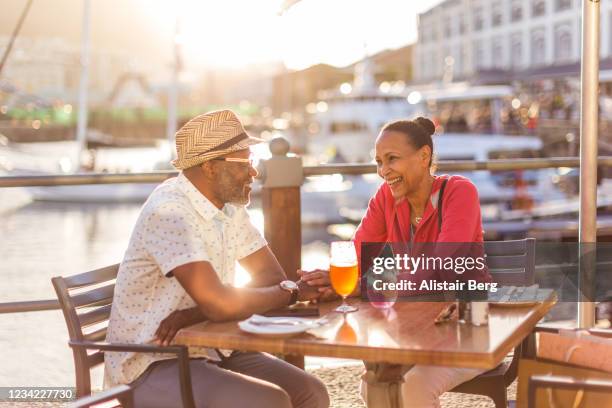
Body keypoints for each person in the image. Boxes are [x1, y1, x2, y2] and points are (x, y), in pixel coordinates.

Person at [104, 109, 329, 408]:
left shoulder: (230, 207)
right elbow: (223, 303)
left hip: (214, 347)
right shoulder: (171, 212)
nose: (255, 172)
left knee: (311, 391)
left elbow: (270, 277)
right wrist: (292, 293)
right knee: (269, 402)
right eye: (245, 162)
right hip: (155, 360)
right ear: (210, 167)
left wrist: (199, 312)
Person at [300, 117, 491, 408]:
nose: (383, 171)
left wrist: (362, 286)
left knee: (412, 389)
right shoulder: (386, 198)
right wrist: (329, 279)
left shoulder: (459, 192)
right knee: (375, 385)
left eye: (392, 159)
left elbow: (440, 268)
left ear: (424, 156)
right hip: (412, 328)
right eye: (378, 161)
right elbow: (356, 254)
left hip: (467, 326)